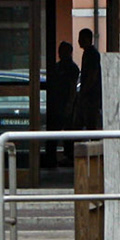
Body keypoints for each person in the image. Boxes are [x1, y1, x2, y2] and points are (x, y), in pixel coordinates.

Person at [45, 40, 81, 169]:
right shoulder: (56, 67)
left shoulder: (72, 68)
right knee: (53, 132)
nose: (61, 54)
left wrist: (70, 105)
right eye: (60, 51)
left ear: (69, 52)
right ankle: (51, 158)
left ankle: (69, 157)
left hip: (66, 103)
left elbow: (72, 88)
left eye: (63, 51)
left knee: (68, 132)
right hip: (56, 103)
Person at [75, 27, 104, 131]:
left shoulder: (91, 54)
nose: (78, 41)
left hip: (91, 96)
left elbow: (92, 75)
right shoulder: (88, 53)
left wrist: (84, 91)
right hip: (89, 95)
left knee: (90, 122)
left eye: (81, 38)